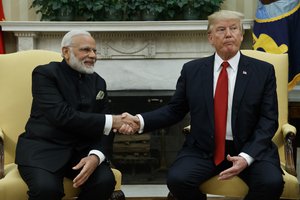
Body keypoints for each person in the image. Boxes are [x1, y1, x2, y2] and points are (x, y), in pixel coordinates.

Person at [120, 10, 284, 200]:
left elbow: (268, 119)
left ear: (241, 35)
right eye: (221, 29)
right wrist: (139, 121)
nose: (228, 34)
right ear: (210, 37)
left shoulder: (263, 71)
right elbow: (175, 110)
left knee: (271, 183)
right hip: (204, 149)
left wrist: (247, 157)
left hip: (250, 148)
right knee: (178, 179)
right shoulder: (192, 70)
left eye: (234, 28)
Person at [15, 30, 131, 200]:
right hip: (43, 151)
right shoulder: (45, 74)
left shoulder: (99, 82)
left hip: (82, 152)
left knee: (104, 181)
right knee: (47, 190)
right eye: (85, 50)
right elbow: (62, 115)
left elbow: (105, 130)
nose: (92, 55)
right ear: (66, 52)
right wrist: (114, 120)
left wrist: (96, 156)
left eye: (94, 51)